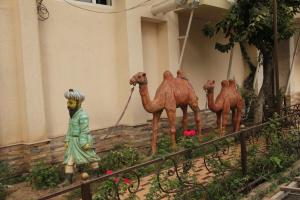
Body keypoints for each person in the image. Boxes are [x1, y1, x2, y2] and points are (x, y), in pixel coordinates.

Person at [63, 89, 100, 185]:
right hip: (72, 141)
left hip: (82, 140)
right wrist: (67, 140)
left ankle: (96, 174)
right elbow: (69, 128)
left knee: (90, 157)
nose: (68, 105)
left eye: (70, 103)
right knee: (69, 160)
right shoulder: (72, 116)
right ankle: (68, 180)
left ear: (78, 103)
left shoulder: (83, 115)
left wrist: (83, 143)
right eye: (68, 102)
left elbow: (84, 130)